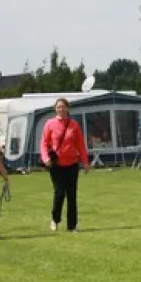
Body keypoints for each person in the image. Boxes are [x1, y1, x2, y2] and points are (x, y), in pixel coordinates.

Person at [39, 97, 89, 232]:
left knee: (72, 195)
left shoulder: (74, 125)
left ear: (68, 108)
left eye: (63, 106)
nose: (61, 109)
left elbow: (80, 144)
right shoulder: (49, 124)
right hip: (56, 165)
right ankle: (55, 220)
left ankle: (72, 225)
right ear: (55, 109)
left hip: (72, 164)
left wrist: (85, 162)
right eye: (58, 107)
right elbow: (44, 143)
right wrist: (45, 158)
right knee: (59, 193)